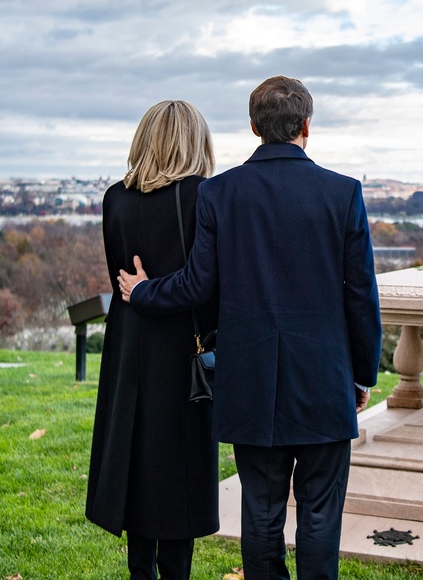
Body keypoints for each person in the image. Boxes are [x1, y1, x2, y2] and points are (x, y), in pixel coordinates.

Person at [118, 76, 382, 580]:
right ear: (307, 126)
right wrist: (362, 374)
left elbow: (198, 284)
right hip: (325, 380)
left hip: (250, 379)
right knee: (321, 516)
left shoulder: (220, 193)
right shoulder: (343, 193)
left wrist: (144, 291)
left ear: (254, 127)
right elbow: (361, 296)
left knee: (260, 515)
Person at [86, 100, 219, 580]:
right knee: (178, 475)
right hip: (184, 352)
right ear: (195, 142)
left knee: (135, 466)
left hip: (128, 349)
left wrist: (143, 292)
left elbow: (121, 282)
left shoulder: (114, 199)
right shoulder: (205, 196)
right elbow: (208, 285)